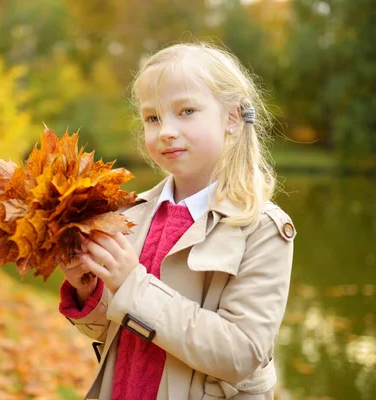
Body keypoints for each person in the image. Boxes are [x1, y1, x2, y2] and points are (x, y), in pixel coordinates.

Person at [58, 41, 296, 400]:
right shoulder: (130, 214)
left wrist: (132, 285)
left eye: (186, 111)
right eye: (152, 118)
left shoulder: (261, 228)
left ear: (231, 118)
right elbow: (110, 331)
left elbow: (240, 353)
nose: (166, 130)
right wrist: (86, 287)